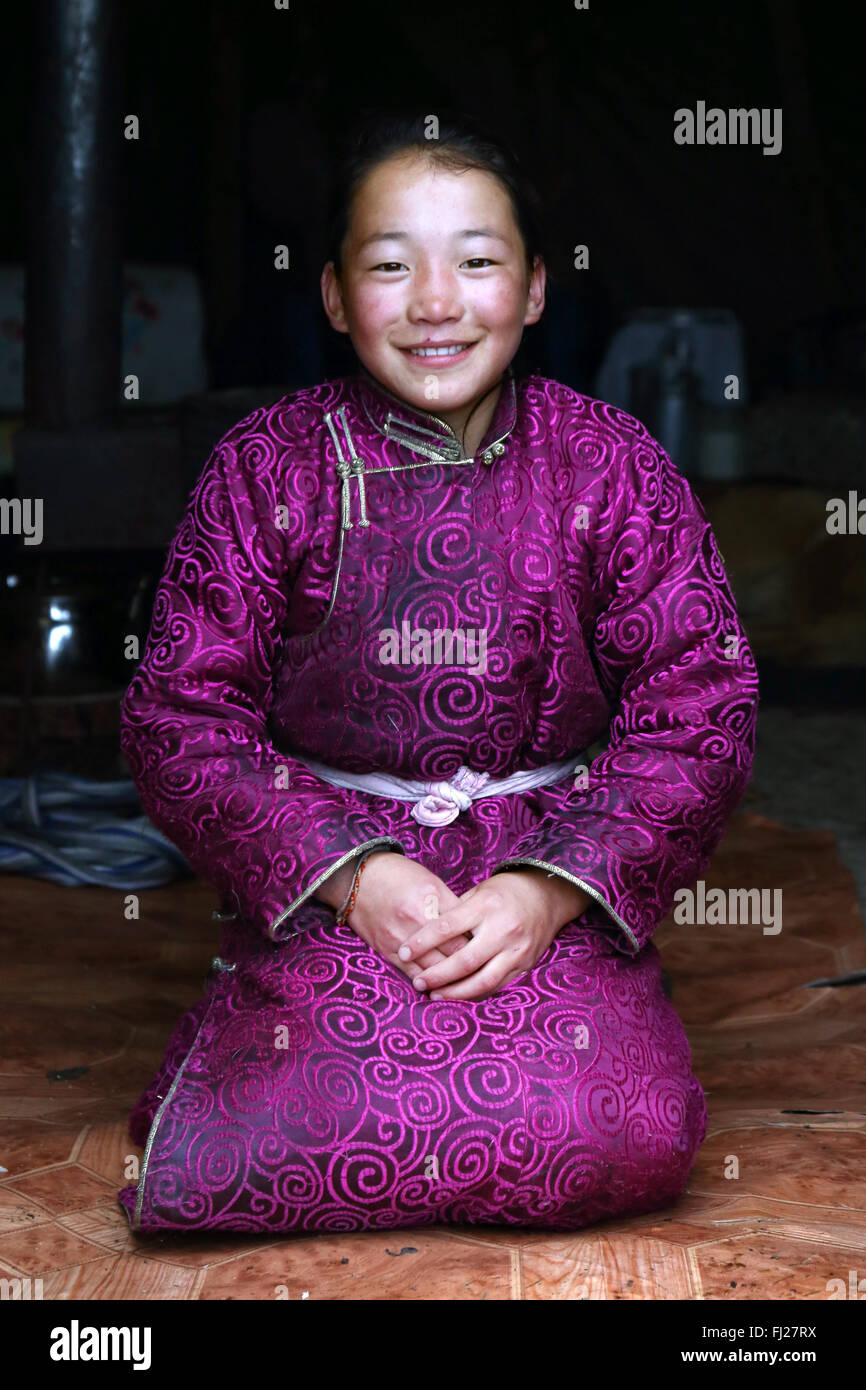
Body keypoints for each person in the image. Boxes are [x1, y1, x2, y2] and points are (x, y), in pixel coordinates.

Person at [117, 110, 758, 1235]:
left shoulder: (610, 465)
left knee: (602, 1126)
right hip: (331, 868)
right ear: (330, 295)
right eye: (387, 265)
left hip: (546, 865)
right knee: (292, 1110)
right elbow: (181, 713)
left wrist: (548, 888)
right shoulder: (266, 465)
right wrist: (355, 877)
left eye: (474, 261)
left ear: (536, 289)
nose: (433, 304)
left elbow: (696, 703)